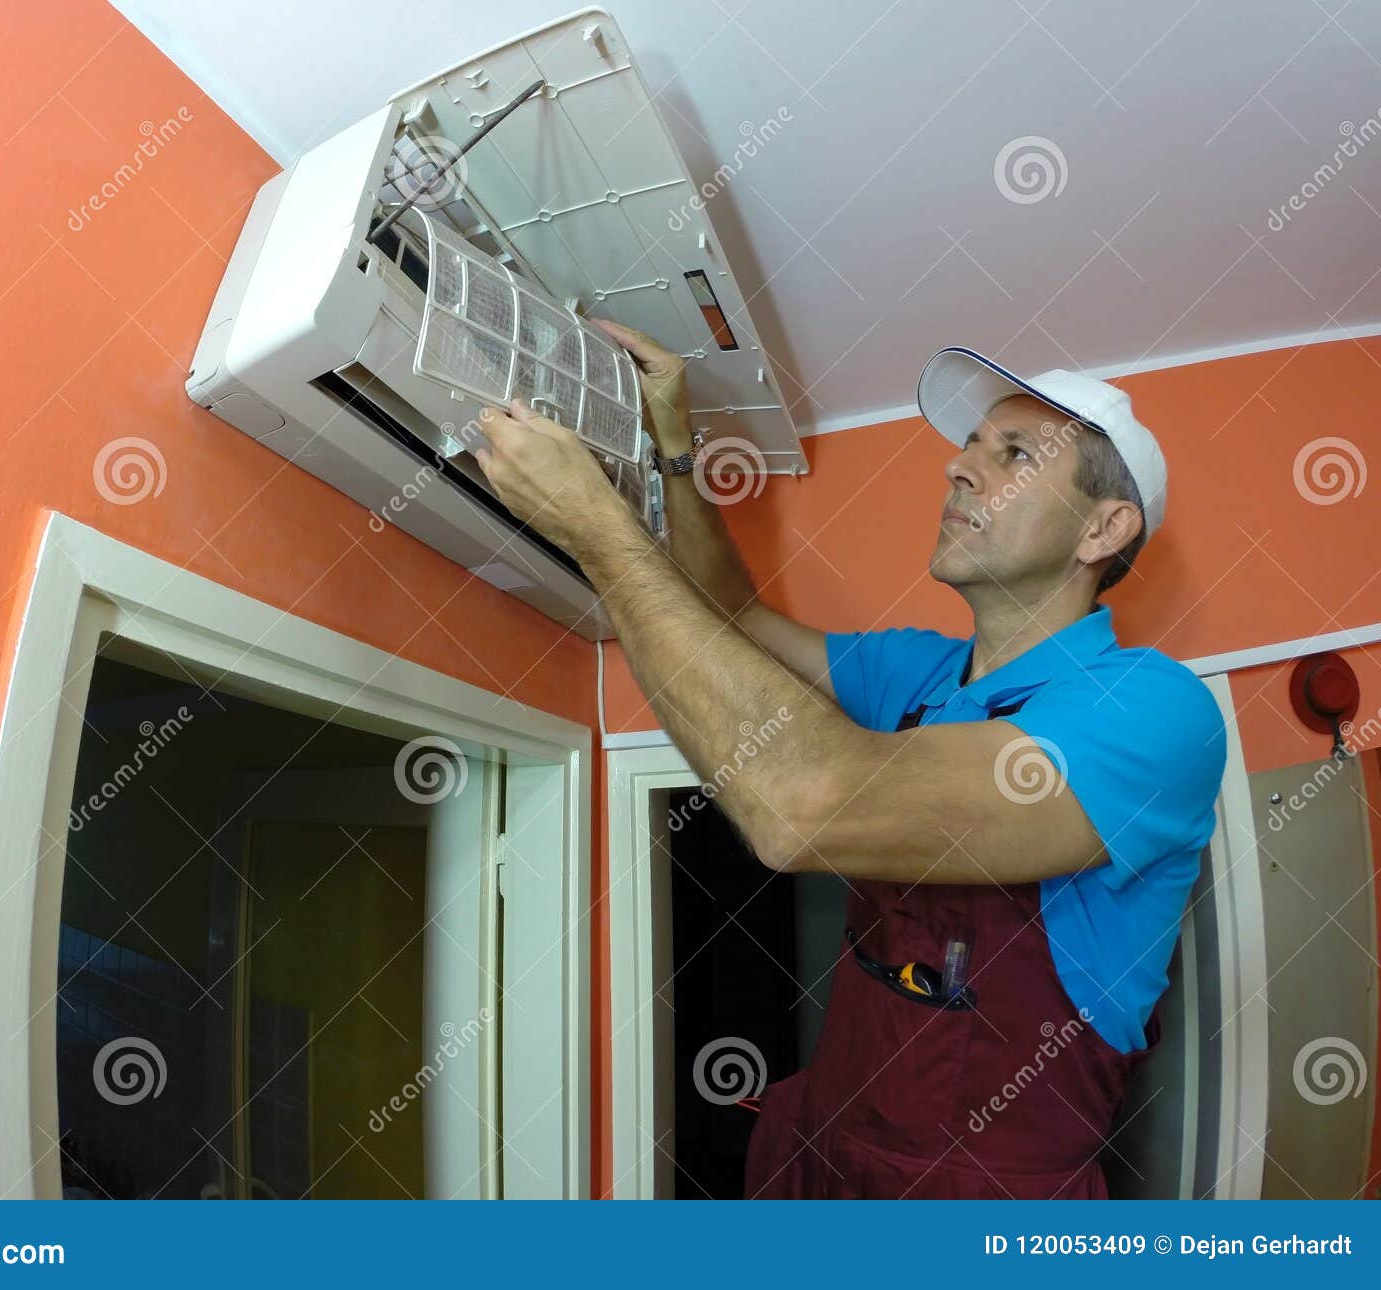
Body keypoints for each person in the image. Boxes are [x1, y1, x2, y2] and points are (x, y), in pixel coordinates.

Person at [472, 326, 1227, 1199]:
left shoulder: (1154, 711)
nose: (958, 467)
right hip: (824, 1148)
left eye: (1013, 453)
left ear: (1104, 528)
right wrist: (675, 441)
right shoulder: (917, 671)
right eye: (970, 446)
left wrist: (600, 533)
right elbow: (733, 617)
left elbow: (803, 810)